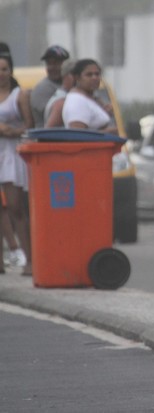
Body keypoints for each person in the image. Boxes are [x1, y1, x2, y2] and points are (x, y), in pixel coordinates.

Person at [0, 44, 34, 276]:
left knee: (15, 208)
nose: (1, 73)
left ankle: (30, 260)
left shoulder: (18, 96)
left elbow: (29, 125)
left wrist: (12, 131)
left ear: (10, 71)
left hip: (11, 153)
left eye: (4, 69)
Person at [62, 59, 117, 134]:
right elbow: (77, 135)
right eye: (89, 75)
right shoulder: (77, 101)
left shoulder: (90, 98)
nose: (94, 78)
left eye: (97, 74)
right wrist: (110, 132)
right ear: (77, 78)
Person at [30, 45, 70, 127]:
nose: (52, 67)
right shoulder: (42, 89)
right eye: (49, 64)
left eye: (56, 63)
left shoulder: (74, 85)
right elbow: (57, 115)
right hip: (47, 137)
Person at [44, 59, 77, 127]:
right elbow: (49, 130)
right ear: (67, 76)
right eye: (76, 75)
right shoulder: (62, 101)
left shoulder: (70, 96)